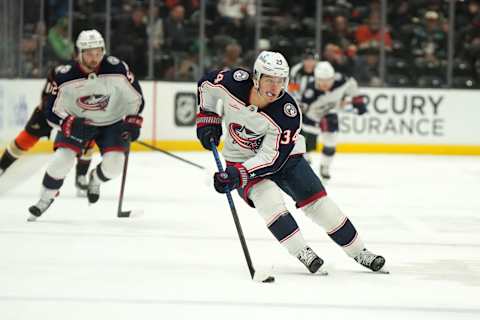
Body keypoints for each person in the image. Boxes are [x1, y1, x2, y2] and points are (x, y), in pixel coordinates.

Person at [196, 50, 386, 274]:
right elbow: (205, 84)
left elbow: (272, 158)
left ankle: (360, 252)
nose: (275, 88)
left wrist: (238, 175)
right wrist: (207, 119)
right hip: (239, 158)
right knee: (269, 200)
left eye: (280, 81)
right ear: (256, 77)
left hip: (285, 158)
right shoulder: (232, 82)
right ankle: (302, 251)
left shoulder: (288, 112)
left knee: (319, 205)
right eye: (269, 80)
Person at [28, 29, 144, 221]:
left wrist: (133, 120)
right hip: (77, 122)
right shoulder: (64, 75)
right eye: (89, 53)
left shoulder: (117, 68)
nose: (94, 58)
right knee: (61, 161)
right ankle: (45, 198)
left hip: (111, 122)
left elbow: (135, 97)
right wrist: (68, 122)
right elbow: (50, 109)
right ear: (79, 53)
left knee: (115, 165)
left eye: (98, 52)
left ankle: (95, 180)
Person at [0, 67, 94, 197]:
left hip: (77, 115)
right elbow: (47, 94)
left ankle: (81, 177)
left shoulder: (100, 73)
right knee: (25, 140)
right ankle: (1, 166)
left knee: (89, 142)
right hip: (50, 112)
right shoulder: (60, 71)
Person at [300, 61, 367, 180]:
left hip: (330, 114)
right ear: (316, 79)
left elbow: (352, 86)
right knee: (306, 142)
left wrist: (359, 102)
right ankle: (305, 157)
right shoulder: (310, 91)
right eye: (321, 81)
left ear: (333, 77)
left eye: (328, 80)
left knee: (331, 142)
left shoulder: (342, 80)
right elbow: (303, 108)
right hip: (312, 117)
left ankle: (325, 166)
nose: (325, 84)